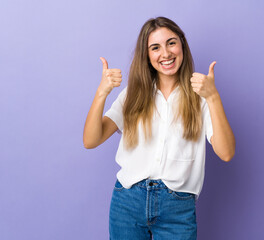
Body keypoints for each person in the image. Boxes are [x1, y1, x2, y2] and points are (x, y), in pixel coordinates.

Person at [83, 16, 235, 240]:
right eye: (155, 47)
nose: (165, 53)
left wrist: (212, 97)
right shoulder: (132, 95)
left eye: (171, 43)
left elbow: (226, 152)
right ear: (147, 56)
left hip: (177, 207)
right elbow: (91, 140)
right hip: (128, 201)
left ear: (182, 44)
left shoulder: (200, 97)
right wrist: (101, 92)